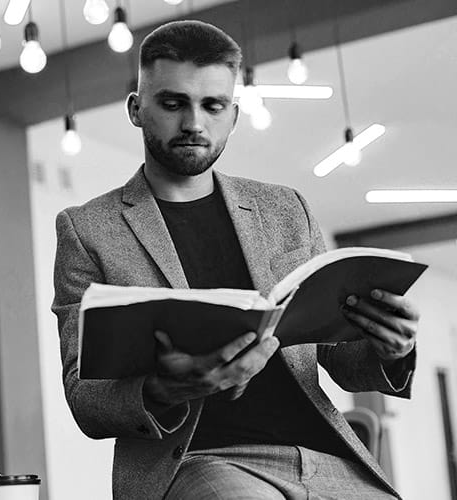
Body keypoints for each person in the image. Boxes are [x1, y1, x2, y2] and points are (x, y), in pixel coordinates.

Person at [52, 20, 418, 500]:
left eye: (213, 106)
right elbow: (85, 400)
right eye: (172, 103)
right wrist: (167, 389)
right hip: (199, 463)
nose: (194, 124)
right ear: (136, 109)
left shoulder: (286, 209)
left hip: (325, 457)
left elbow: (340, 359)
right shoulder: (88, 229)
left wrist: (391, 350)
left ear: (234, 114)